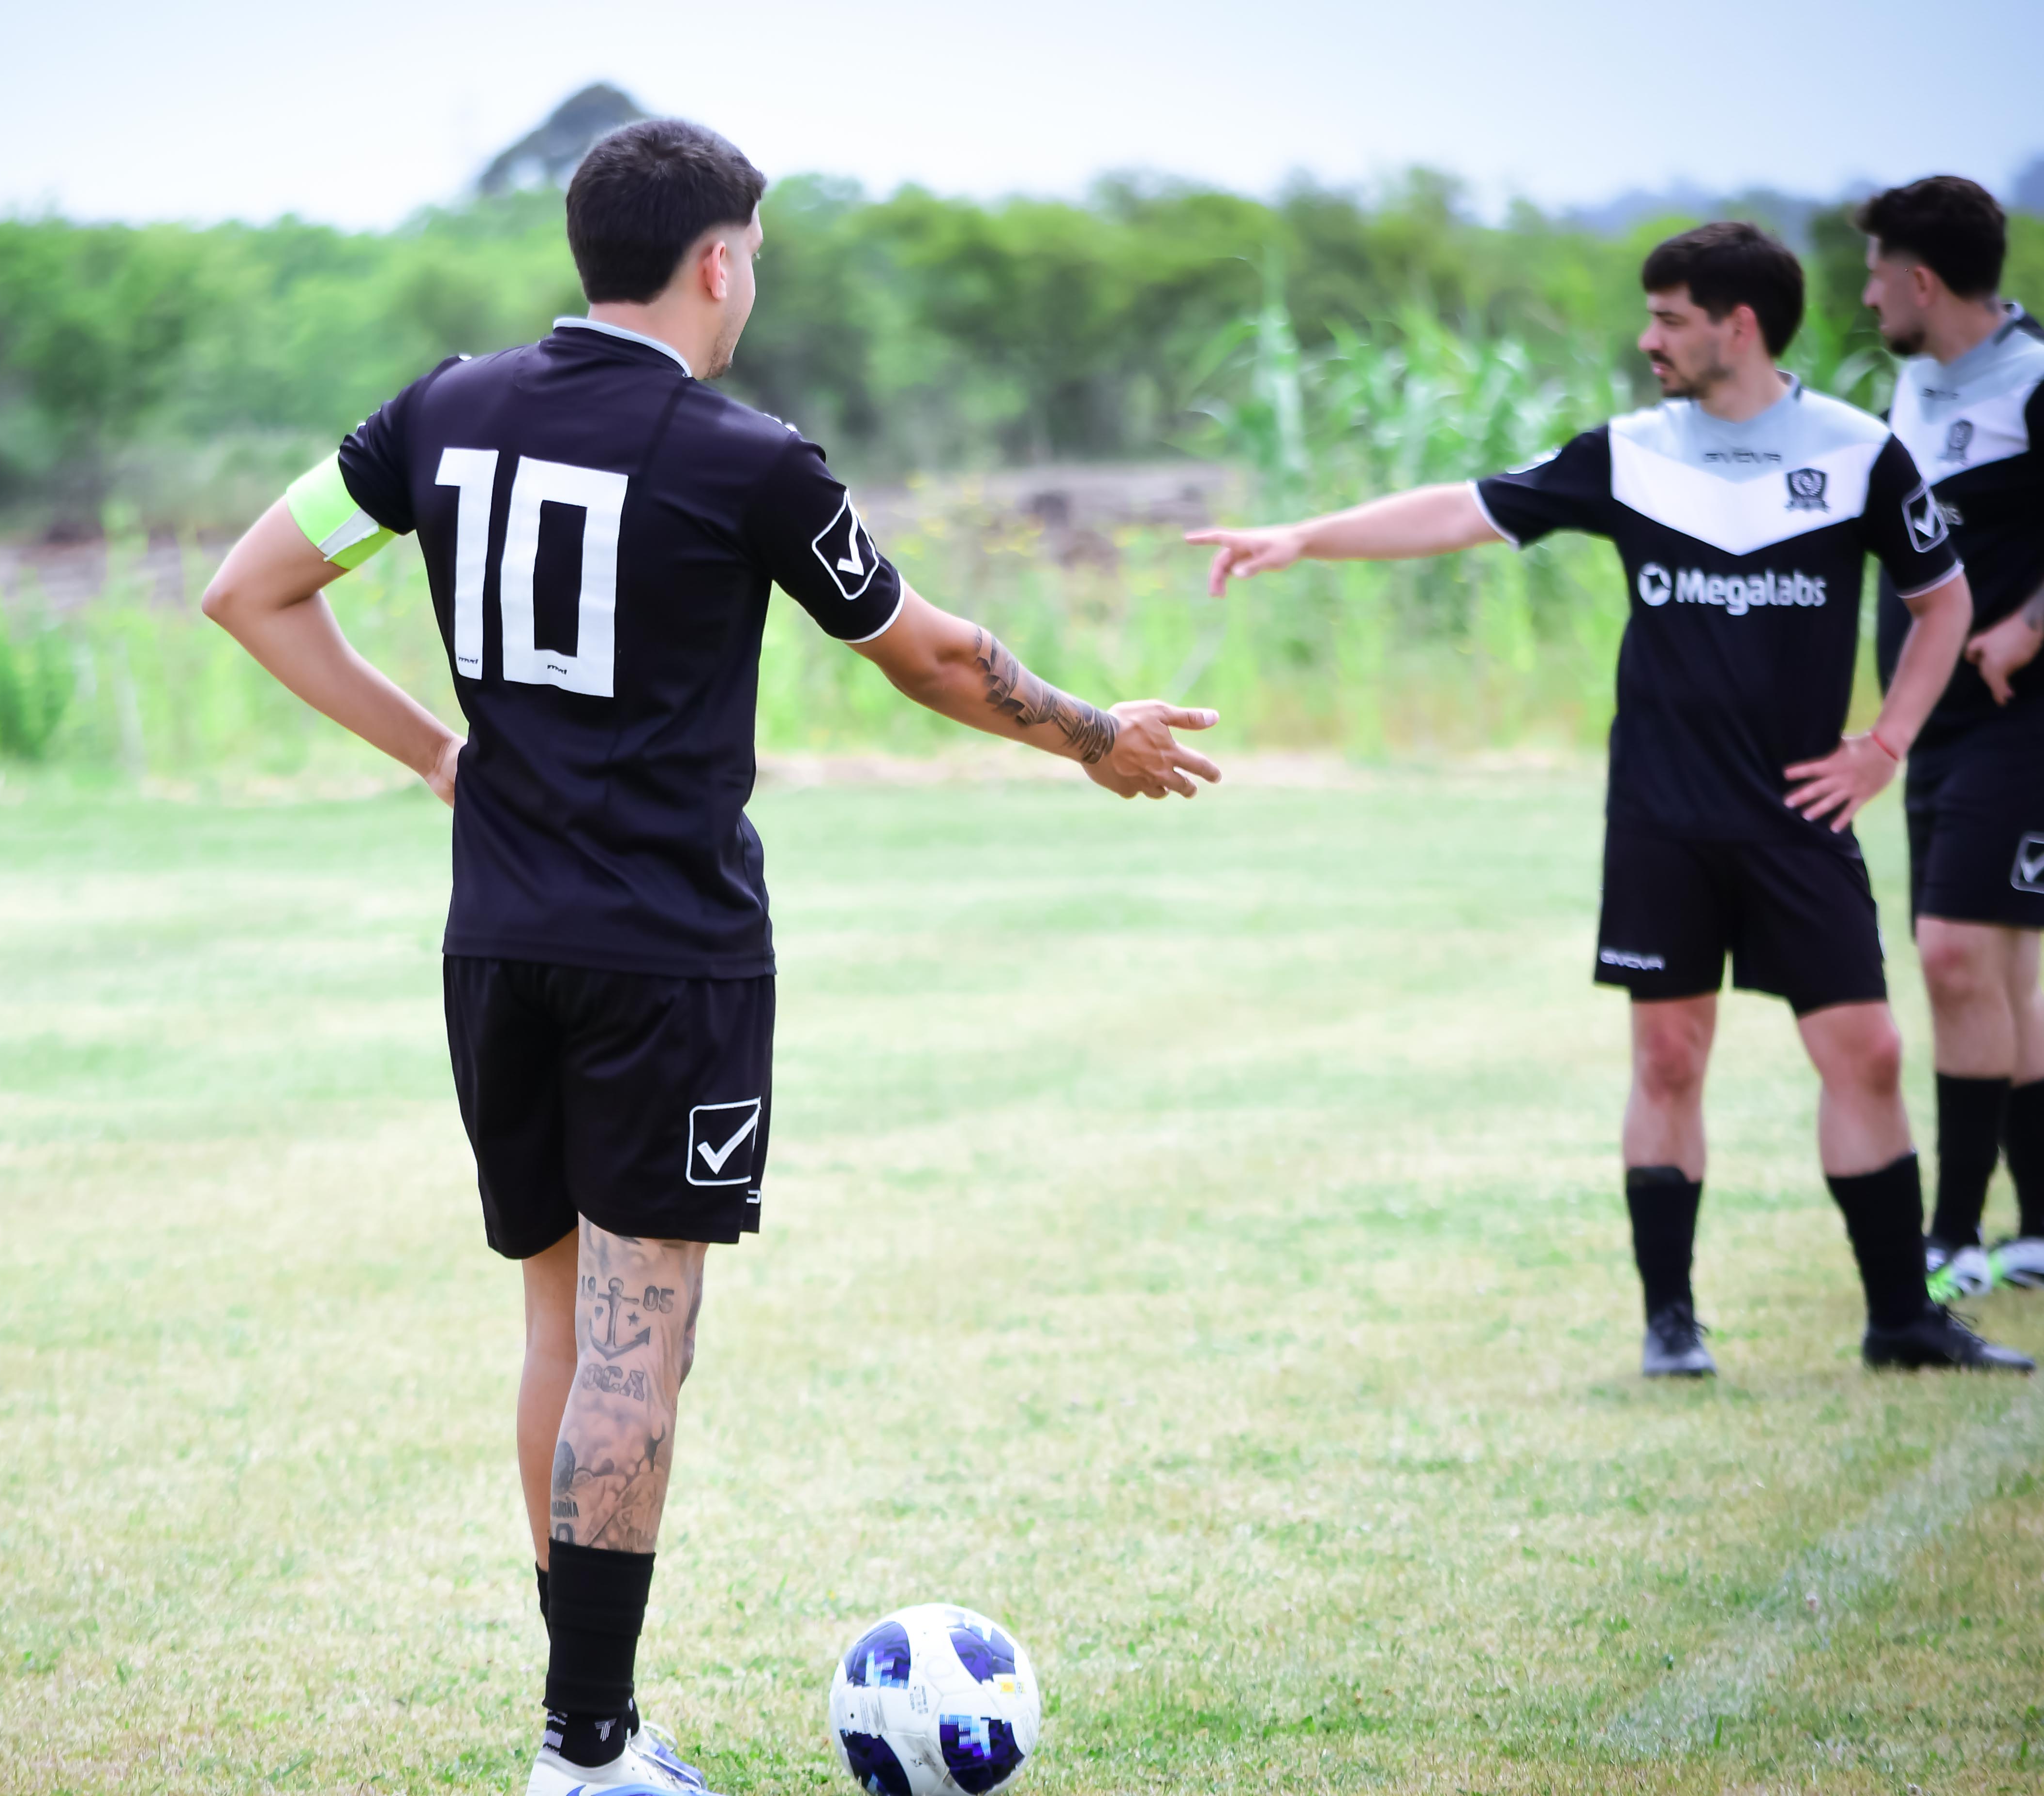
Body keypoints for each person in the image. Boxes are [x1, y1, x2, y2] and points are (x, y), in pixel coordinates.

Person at [200, 119, 1220, 1796]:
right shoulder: (747, 458)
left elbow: (251, 589)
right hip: (663, 960)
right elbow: (927, 655)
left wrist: (443, 754)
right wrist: (1094, 733)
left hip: (497, 943)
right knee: (636, 1343)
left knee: (560, 1329)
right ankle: (588, 1750)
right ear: (718, 261)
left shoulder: (441, 408)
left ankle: (580, 1729)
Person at [1188, 221, 2031, 1377]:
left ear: (1740, 325)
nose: (1649, 340)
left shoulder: (1858, 452)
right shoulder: (1630, 454)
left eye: (1671, 319)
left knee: (1870, 1050)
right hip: (1662, 818)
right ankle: (1671, 1322)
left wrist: (1885, 743)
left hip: (1801, 815)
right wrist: (1301, 538)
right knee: (1670, 1056)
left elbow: (1945, 602)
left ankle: (1902, 1320)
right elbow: (1463, 507)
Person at [1855, 176, 2044, 1298]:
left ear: (1921, 279)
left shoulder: (2038, 379)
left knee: (1956, 954)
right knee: (2003, 968)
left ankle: (1955, 1234)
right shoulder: (1910, 388)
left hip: (2024, 727)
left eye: (1877, 275)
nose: (1868, 296)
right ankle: (2035, 1229)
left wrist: (2029, 626)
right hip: (1935, 729)